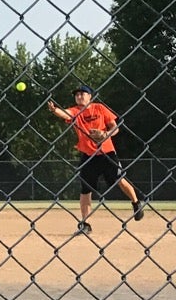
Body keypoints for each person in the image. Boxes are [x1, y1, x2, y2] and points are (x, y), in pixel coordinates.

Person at [46, 84, 146, 234]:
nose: (79, 96)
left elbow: (115, 127)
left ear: (90, 96)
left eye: (82, 94)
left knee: (119, 180)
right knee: (85, 189)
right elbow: (66, 114)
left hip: (107, 153)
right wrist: (54, 110)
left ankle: (136, 203)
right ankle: (85, 223)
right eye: (77, 94)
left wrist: (105, 134)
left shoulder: (99, 108)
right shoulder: (75, 111)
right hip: (88, 156)